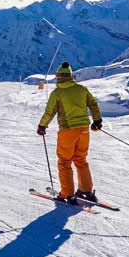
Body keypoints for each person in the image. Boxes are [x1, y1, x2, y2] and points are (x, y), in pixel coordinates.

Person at [36, 62, 102, 203]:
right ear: (70, 76)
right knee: (81, 160)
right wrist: (97, 120)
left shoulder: (57, 93)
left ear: (59, 77)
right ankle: (86, 191)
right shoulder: (81, 89)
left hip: (68, 130)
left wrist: (42, 125)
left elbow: (50, 112)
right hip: (84, 130)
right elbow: (93, 104)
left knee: (65, 162)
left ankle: (67, 194)